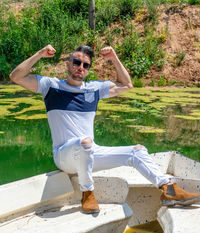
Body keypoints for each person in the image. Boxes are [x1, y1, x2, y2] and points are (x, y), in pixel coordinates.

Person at [10, 44, 200, 213]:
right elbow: (16, 76)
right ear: (67, 64)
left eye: (85, 65)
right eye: (76, 62)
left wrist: (114, 58)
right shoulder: (50, 86)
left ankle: (168, 189)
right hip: (64, 154)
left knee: (137, 151)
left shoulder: (93, 89)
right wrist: (41, 53)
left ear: (88, 69)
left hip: (90, 150)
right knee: (85, 143)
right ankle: (87, 193)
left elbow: (127, 84)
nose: (80, 68)